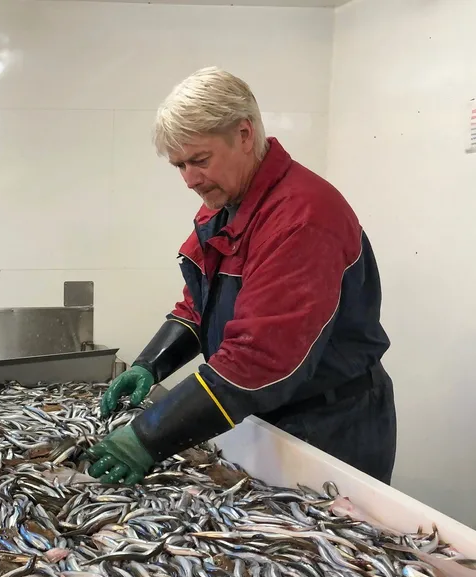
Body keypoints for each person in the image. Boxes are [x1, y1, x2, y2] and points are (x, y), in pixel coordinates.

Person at [88, 67, 396, 486]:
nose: (190, 180)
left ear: (245, 135)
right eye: (179, 165)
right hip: (268, 414)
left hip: (331, 426)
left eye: (199, 160)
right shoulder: (225, 204)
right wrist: (150, 365)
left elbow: (258, 358)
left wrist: (145, 438)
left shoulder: (302, 218)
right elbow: (201, 304)